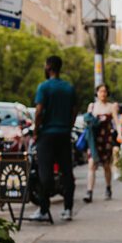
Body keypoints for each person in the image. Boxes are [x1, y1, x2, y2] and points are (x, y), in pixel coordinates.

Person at [31, 55, 76, 222]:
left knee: (45, 173)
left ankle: (43, 209)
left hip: (47, 135)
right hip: (64, 134)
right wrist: (69, 127)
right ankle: (68, 209)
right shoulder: (68, 88)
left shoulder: (44, 87)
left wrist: (36, 131)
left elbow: (38, 111)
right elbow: (74, 110)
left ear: (48, 67)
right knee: (67, 172)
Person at [82, 84, 122, 203]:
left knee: (106, 165)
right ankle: (89, 192)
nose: (103, 94)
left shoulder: (111, 107)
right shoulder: (92, 106)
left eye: (105, 91)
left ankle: (108, 188)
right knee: (91, 164)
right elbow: (87, 120)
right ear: (97, 93)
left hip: (106, 140)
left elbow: (117, 122)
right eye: (100, 91)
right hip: (94, 140)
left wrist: (119, 134)